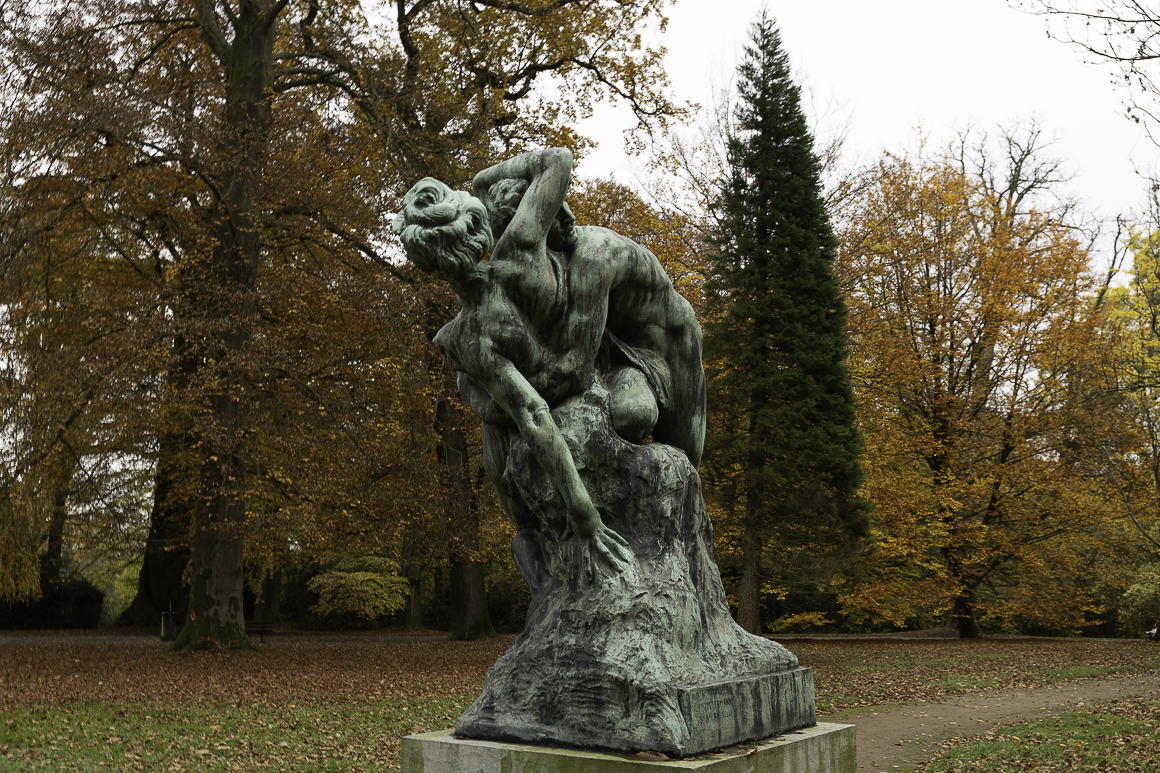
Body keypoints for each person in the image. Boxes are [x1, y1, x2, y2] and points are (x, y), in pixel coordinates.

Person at [393, 148, 705, 582]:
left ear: (428, 264)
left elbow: (557, 388)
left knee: (645, 424)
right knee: (488, 403)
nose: (568, 222)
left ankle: (679, 546)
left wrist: (583, 515)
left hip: (660, 344)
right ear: (479, 225)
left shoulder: (468, 334)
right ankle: (532, 540)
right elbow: (557, 159)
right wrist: (482, 183)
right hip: (596, 365)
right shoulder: (521, 250)